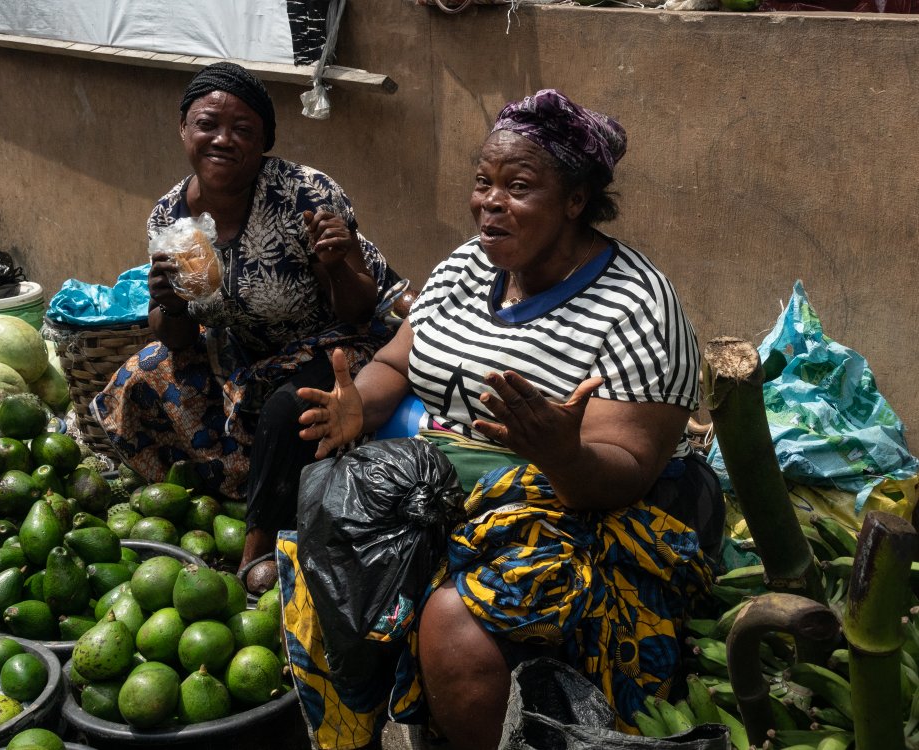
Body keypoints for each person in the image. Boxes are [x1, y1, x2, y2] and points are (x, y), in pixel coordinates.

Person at [276, 89, 725, 750]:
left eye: (518, 186)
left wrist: (560, 453)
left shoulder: (637, 308)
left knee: (454, 624)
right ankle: (377, 726)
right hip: (445, 481)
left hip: (585, 506)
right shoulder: (466, 267)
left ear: (575, 201)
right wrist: (358, 404)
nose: (490, 201)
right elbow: (399, 364)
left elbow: (627, 473)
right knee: (329, 537)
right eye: (483, 182)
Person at [91, 62, 402, 589]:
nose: (223, 140)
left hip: (336, 342)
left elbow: (356, 309)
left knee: (291, 404)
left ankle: (256, 545)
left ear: (264, 143)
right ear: (184, 129)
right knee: (137, 379)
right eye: (208, 124)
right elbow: (178, 340)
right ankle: (211, 494)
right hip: (241, 352)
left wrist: (334, 260)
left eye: (243, 130)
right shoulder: (170, 216)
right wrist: (169, 304)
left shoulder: (305, 194)